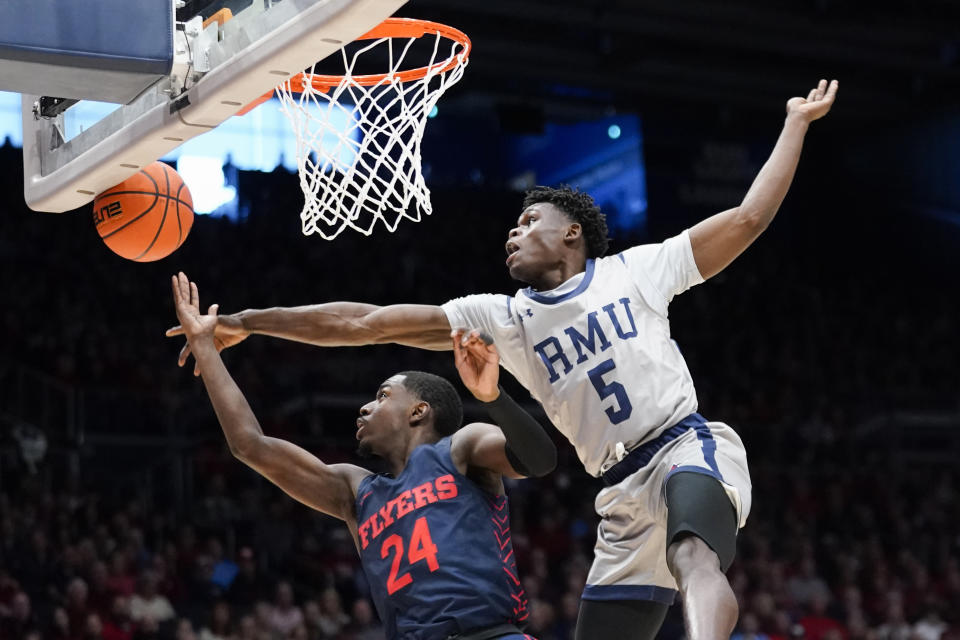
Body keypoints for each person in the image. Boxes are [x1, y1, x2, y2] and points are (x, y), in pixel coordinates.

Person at [167, 80, 839, 640]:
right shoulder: (501, 317)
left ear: (571, 234)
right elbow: (362, 324)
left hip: (683, 446)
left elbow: (748, 218)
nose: (514, 232)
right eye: (512, 226)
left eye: (530, 222)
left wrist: (795, 124)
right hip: (618, 492)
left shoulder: (639, 269)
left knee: (693, 553)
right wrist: (242, 324)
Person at [169, 272, 555, 639]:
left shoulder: (461, 449)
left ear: (419, 411)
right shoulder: (355, 491)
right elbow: (249, 444)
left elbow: (539, 460)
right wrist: (204, 346)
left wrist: (493, 399)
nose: (365, 408)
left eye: (383, 396)